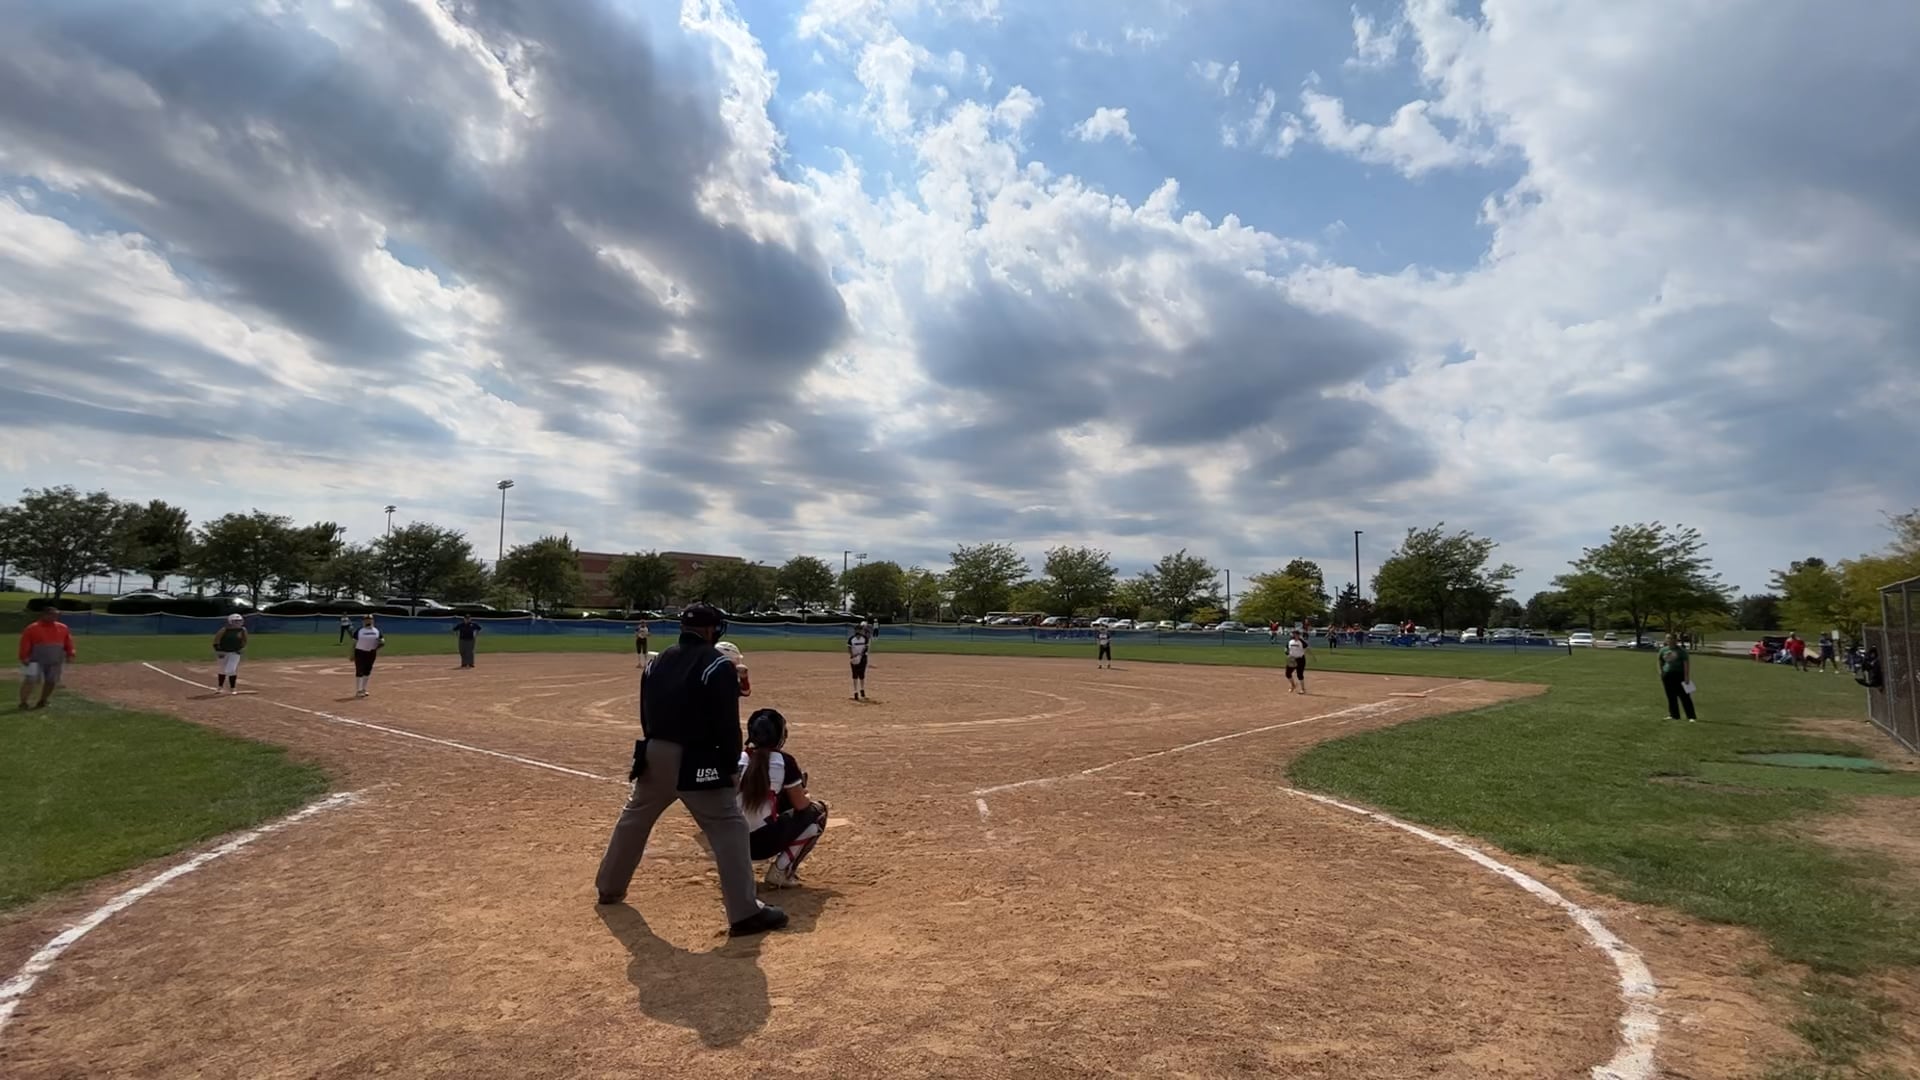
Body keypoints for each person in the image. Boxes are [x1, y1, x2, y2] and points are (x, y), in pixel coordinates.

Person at [594, 603, 786, 937]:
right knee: (729, 827)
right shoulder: (717, 664)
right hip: (697, 758)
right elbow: (727, 724)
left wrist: (653, 747)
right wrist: (730, 765)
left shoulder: (657, 661)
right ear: (712, 630)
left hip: (654, 752)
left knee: (634, 819)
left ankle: (609, 887)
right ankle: (744, 913)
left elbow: (645, 713)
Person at [738, 707, 828, 889]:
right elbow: (801, 805)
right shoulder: (783, 761)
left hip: (730, 843)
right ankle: (781, 870)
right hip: (761, 846)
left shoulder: (737, 759)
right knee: (818, 812)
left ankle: (732, 869)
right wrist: (806, 795)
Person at [18, 605, 76, 711]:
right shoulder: (32, 628)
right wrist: (24, 656)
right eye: (52, 615)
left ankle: (43, 700)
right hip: (34, 659)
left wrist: (70, 653)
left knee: (51, 681)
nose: (54, 617)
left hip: (55, 659)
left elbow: (68, 642)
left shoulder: (63, 627)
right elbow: (25, 643)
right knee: (30, 680)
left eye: (56, 615)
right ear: (44, 615)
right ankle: (23, 702)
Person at [1657, 632, 1697, 722]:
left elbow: (1686, 664)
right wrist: (1661, 672)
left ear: (1676, 640)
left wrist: (1686, 677)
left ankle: (1691, 716)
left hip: (1679, 675)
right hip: (1667, 675)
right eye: (1668, 638)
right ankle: (1674, 715)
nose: (1669, 640)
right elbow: (1660, 661)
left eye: (1671, 638)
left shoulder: (1681, 651)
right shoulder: (1663, 650)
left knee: (1685, 696)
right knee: (1671, 696)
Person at [212, 613, 249, 694]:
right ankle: (220, 687)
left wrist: (242, 648)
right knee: (222, 670)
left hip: (235, 652)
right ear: (230, 621)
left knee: (231, 670)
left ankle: (233, 688)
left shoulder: (243, 630)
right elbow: (216, 641)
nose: (238, 623)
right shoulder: (224, 630)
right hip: (223, 652)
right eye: (236, 621)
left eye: (239, 621)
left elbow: (245, 640)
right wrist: (219, 651)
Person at [351, 614, 385, 698]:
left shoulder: (376, 631)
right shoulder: (359, 631)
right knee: (359, 670)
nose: (368, 621)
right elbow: (354, 643)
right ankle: (358, 690)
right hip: (360, 652)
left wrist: (378, 646)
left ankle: (364, 689)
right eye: (366, 619)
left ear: (373, 620)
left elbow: (382, 641)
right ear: (363, 621)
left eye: (370, 619)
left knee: (367, 671)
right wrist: (352, 654)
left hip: (371, 653)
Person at [848, 621, 871, 700]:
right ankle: (855, 691)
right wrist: (852, 655)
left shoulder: (865, 638)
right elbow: (849, 648)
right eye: (857, 630)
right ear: (855, 631)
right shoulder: (851, 639)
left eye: (860, 630)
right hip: (854, 658)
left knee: (862, 675)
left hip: (863, 658)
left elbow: (866, 648)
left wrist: (860, 655)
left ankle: (862, 689)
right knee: (854, 675)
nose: (858, 631)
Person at [1285, 629, 1309, 694]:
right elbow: (1286, 648)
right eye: (1293, 634)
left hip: (1300, 659)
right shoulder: (1290, 641)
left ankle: (1303, 689)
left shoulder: (1301, 641)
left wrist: (1303, 653)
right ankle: (1293, 685)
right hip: (1292, 659)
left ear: (1298, 635)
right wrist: (1287, 653)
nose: (1294, 635)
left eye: (1295, 634)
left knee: (1299, 674)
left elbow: (1306, 648)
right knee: (1287, 673)